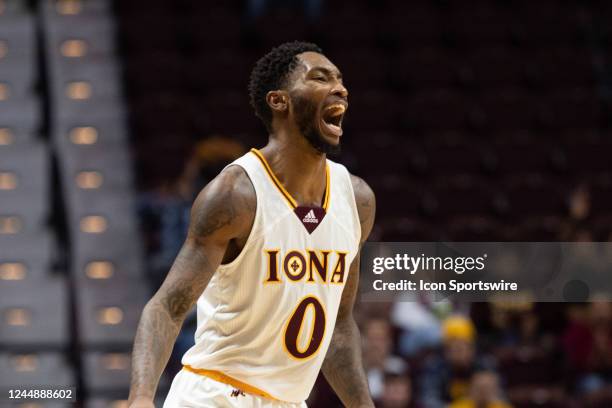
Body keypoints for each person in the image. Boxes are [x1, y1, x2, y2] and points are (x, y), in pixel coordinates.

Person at [128, 41, 376, 408]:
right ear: (279, 101)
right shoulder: (235, 194)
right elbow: (167, 306)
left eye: (340, 80)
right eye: (321, 78)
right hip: (215, 395)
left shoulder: (357, 200)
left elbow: (338, 328)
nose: (340, 88)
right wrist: (141, 398)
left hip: (289, 402)